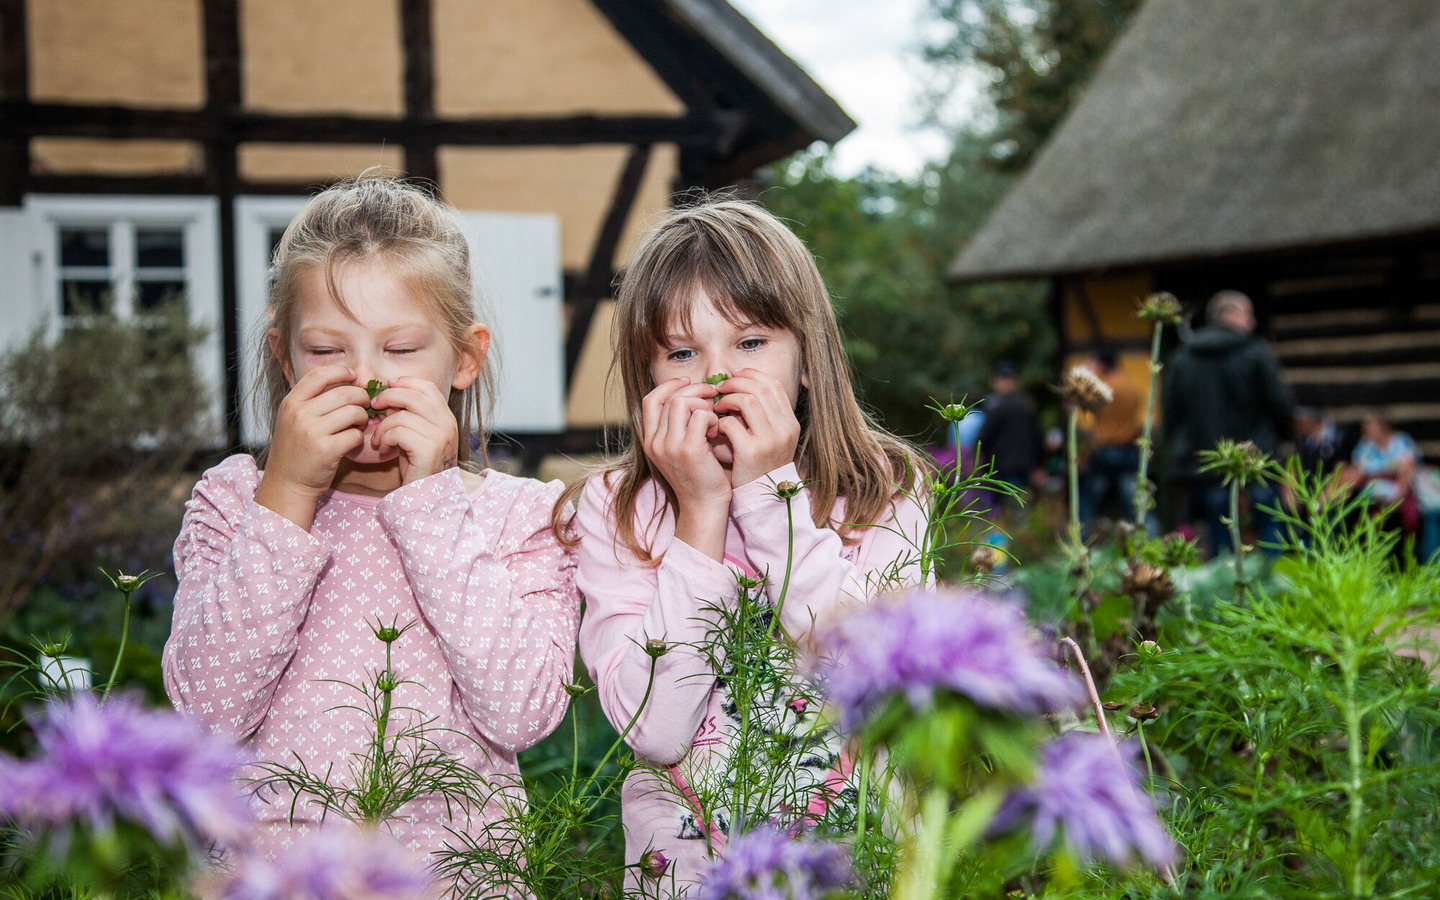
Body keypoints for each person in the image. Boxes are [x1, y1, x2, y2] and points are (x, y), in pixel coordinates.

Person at [162, 177, 582, 867]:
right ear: (283, 356)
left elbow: (523, 713)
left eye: (401, 348)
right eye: (328, 350)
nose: (366, 379)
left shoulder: (518, 516)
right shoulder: (238, 501)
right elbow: (208, 716)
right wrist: (289, 494)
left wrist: (432, 504)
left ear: (465, 358)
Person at [560, 198, 926, 894]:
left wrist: (767, 490)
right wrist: (700, 509)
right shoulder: (617, 509)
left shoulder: (886, 489)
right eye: (682, 353)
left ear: (809, 360)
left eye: (750, 343)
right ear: (647, 380)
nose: (717, 377)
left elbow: (871, 675)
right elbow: (656, 729)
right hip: (691, 876)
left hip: (855, 865)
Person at [1164, 290, 1293, 555]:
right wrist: (1284, 437)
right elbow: (1281, 404)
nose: (1253, 322)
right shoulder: (1256, 353)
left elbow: (1170, 414)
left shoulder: (1182, 358)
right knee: (1270, 525)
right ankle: (1277, 589)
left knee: (1219, 533)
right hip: (1258, 459)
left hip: (1207, 463)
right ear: (1230, 315)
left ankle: (1224, 590)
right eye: (1249, 314)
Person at [1076, 347, 1148, 536]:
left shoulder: (1104, 388)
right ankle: (1147, 538)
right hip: (1128, 450)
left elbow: (1084, 411)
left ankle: (1081, 540)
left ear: (1101, 365)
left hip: (1105, 451)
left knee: (1088, 501)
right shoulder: (1131, 386)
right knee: (1136, 503)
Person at [976, 361, 1045, 514]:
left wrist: (977, 462)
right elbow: (1038, 437)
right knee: (1019, 505)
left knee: (1004, 509)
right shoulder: (1027, 404)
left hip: (999, 467)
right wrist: (1039, 465)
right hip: (1024, 466)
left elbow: (983, 438)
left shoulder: (995, 406)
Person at [1345, 410, 1422, 534]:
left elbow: (1406, 473)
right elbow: (1355, 469)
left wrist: (1397, 501)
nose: (1365, 429)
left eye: (1369, 425)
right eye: (1364, 426)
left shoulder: (1401, 442)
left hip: (1394, 498)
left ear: (1382, 426)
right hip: (1367, 497)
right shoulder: (1366, 445)